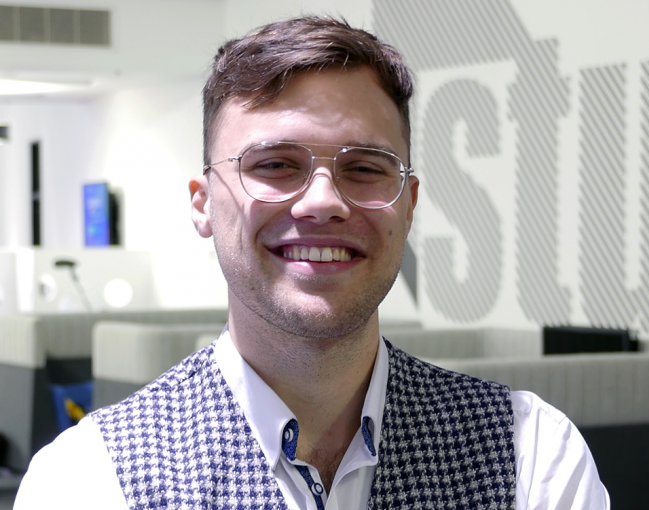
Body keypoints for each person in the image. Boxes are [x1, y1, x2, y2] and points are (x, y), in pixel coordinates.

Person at [15, 16, 609, 510]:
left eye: (366, 168)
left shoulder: (531, 457)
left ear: (409, 206)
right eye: (275, 164)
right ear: (202, 205)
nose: (323, 201)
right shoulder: (90, 481)